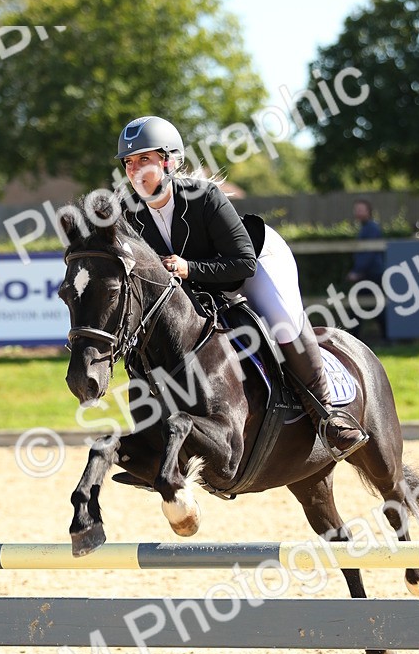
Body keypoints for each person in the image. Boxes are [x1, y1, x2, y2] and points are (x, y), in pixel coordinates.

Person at [114, 115, 367, 458]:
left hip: (255, 261)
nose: (134, 169)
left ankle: (328, 417)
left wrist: (189, 268)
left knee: (281, 320)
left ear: (170, 160)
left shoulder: (204, 198)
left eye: (145, 159)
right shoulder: (132, 215)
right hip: (199, 280)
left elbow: (242, 264)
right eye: (129, 162)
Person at [347, 197, 386, 339]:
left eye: (361, 209)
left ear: (369, 212)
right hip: (369, 274)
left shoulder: (371, 228)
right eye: (356, 209)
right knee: (372, 307)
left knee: (363, 307)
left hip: (371, 275)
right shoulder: (366, 228)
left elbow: (369, 253)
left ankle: (353, 339)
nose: (357, 212)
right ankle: (386, 337)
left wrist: (357, 272)